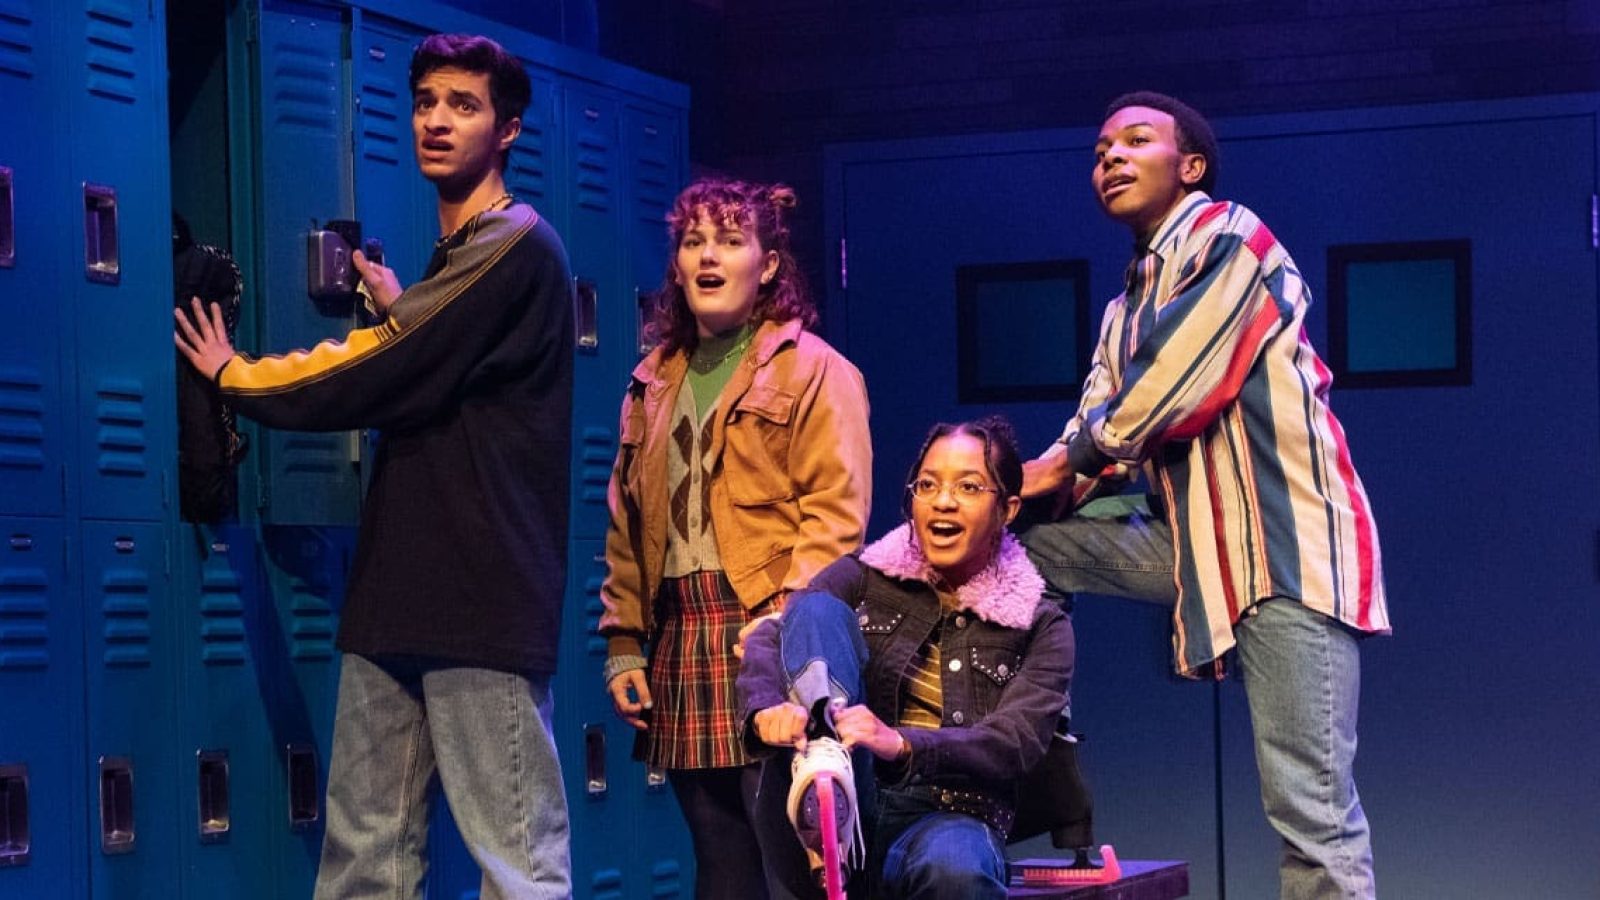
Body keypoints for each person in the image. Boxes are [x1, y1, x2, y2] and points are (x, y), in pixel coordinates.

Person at [174, 33, 574, 899]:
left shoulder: (516, 245)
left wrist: (235, 376)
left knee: (516, 866)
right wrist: (405, 316)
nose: (436, 120)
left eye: (462, 106)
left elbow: (376, 372)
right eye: (426, 101)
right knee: (363, 863)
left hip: (480, 602)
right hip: (395, 595)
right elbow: (432, 368)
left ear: (507, 129)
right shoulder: (459, 259)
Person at [1019, 91, 1390, 899]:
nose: (1110, 157)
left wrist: (1052, 472)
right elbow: (1092, 426)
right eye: (1100, 148)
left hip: (1289, 556)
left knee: (1313, 817)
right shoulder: (1124, 309)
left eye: (1135, 140)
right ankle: (1032, 753)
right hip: (1197, 548)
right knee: (1022, 551)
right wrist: (1001, 498)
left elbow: (1170, 393)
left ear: (1189, 167)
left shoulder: (1235, 238)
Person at [598, 178, 872, 899]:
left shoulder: (818, 371)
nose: (708, 256)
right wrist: (625, 638)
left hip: (767, 628)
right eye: (694, 242)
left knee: (796, 863)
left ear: (769, 264)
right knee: (719, 866)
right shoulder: (651, 380)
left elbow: (835, 520)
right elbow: (626, 524)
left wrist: (785, 633)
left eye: (729, 239)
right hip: (683, 635)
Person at [740, 416, 1074, 900]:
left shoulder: (1041, 623)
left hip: (952, 815)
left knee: (956, 871)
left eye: (969, 486)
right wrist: (765, 711)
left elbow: (1013, 743)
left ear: (1008, 508)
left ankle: (832, 784)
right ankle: (824, 764)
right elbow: (774, 635)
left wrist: (900, 743)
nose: (942, 500)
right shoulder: (862, 578)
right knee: (810, 607)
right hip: (853, 788)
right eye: (928, 484)